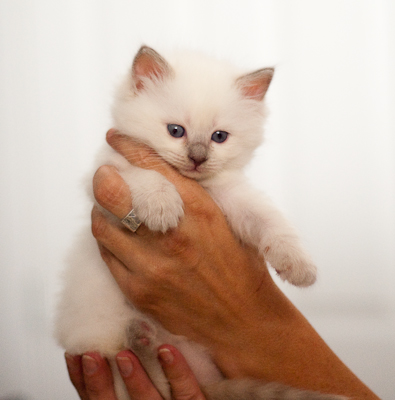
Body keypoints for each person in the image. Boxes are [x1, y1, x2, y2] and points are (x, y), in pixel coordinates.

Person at [65, 130, 379, 400]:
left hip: (190, 356)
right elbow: (107, 187)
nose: (198, 153)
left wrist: (282, 244)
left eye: (218, 137)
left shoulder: (222, 178)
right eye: (176, 131)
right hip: (118, 332)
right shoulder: (124, 158)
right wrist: (148, 189)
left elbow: (246, 206)